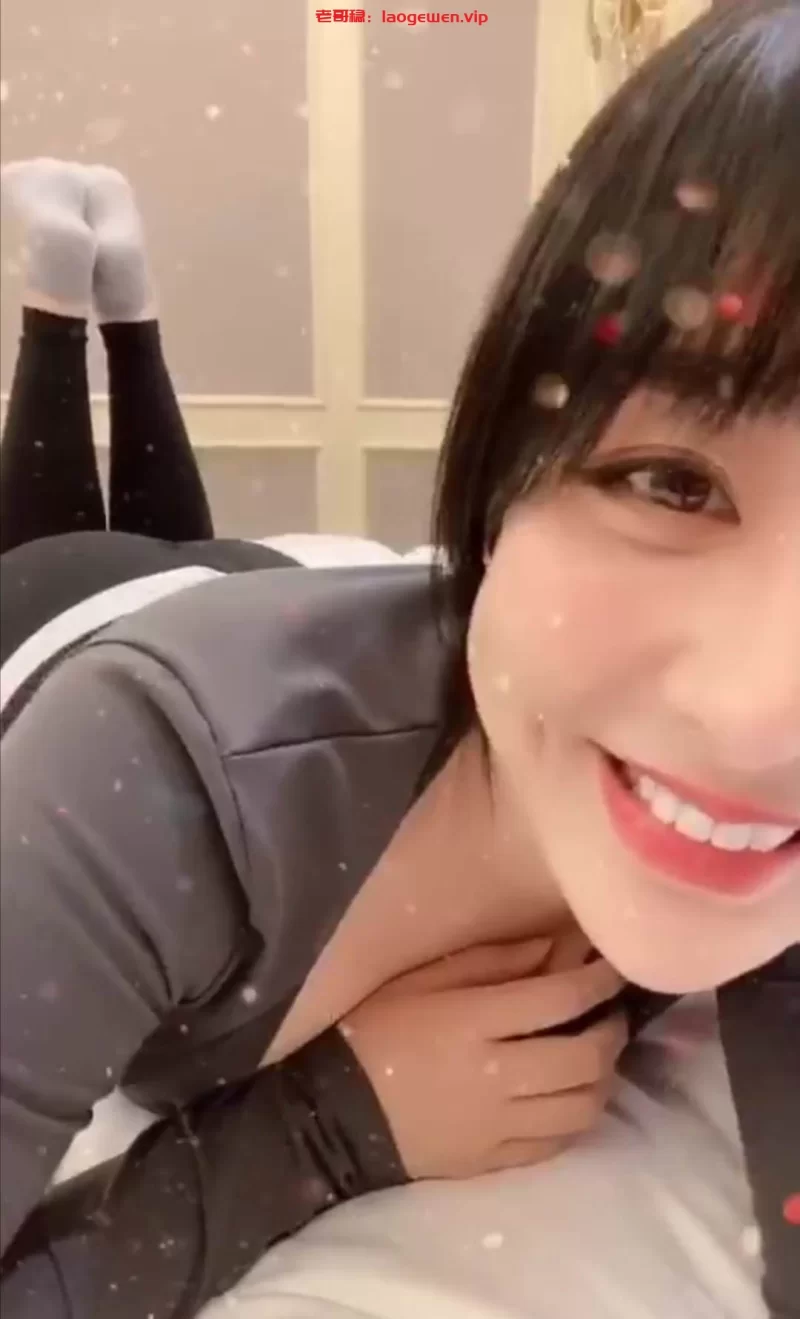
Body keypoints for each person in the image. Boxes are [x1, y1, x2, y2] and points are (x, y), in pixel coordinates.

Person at [1, 3, 798, 1318]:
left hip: (292, 601)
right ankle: (63, 307)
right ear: (498, 475)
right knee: (64, 537)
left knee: (182, 534)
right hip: (66, 627)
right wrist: (329, 1128)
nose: (762, 716)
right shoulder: (133, 782)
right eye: (672, 480)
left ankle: (130, 311)